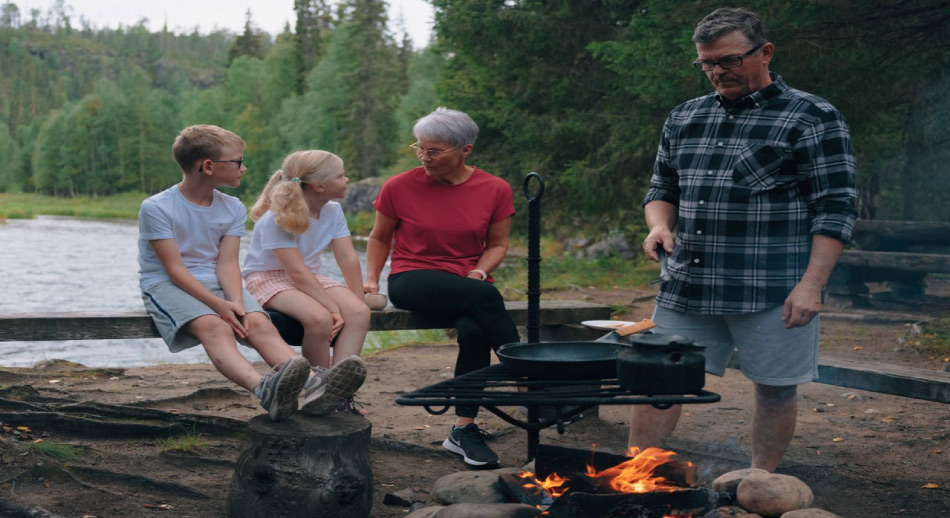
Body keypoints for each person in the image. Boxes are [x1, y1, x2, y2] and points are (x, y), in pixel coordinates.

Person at [630, 8, 858, 472]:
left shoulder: (812, 117)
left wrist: (811, 284)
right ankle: (637, 477)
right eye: (707, 63)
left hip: (772, 289)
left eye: (729, 60)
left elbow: (836, 207)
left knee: (775, 388)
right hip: (686, 282)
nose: (717, 72)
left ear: (765, 52)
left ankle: (761, 481)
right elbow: (662, 189)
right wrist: (659, 225)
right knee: (661, 378)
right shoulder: (685, 117)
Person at [137, 125, 362, 421]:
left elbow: (228, 264)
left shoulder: (232, 207)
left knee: (258, 323)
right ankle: (264, 388)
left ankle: (314, 385)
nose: (244, 168)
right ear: (208, 166)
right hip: (167, 283)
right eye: (238, 161)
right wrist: (220, 306)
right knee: (215, 327)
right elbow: (174, 269)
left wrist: (235, 301)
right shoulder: (156, 207)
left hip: (218, 281)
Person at [363, 107, 520, 467]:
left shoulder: (495, 188)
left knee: (475, 330)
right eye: (419, 148)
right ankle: (528, 373)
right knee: (486, 298)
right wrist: (371, 279)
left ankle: (462, 430)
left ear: (465, 150)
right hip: (412, 278)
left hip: (469, 284)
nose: (424, 157)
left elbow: (497, 244)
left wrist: (480, 272)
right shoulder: (399, 186)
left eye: (434, 151)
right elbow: (379, 237)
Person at [243, 150, 369, 416]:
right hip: (269, 276)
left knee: (359, 313)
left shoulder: (332, 210)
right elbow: (296, 273)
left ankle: (338, 395)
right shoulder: (278, 216)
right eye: (341, 175)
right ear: (319, 185)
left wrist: (356, 299)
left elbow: (347, 257)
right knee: (320, 318)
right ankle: (318, 388)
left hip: (308, 275)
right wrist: (333, 309)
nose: (347, 180)